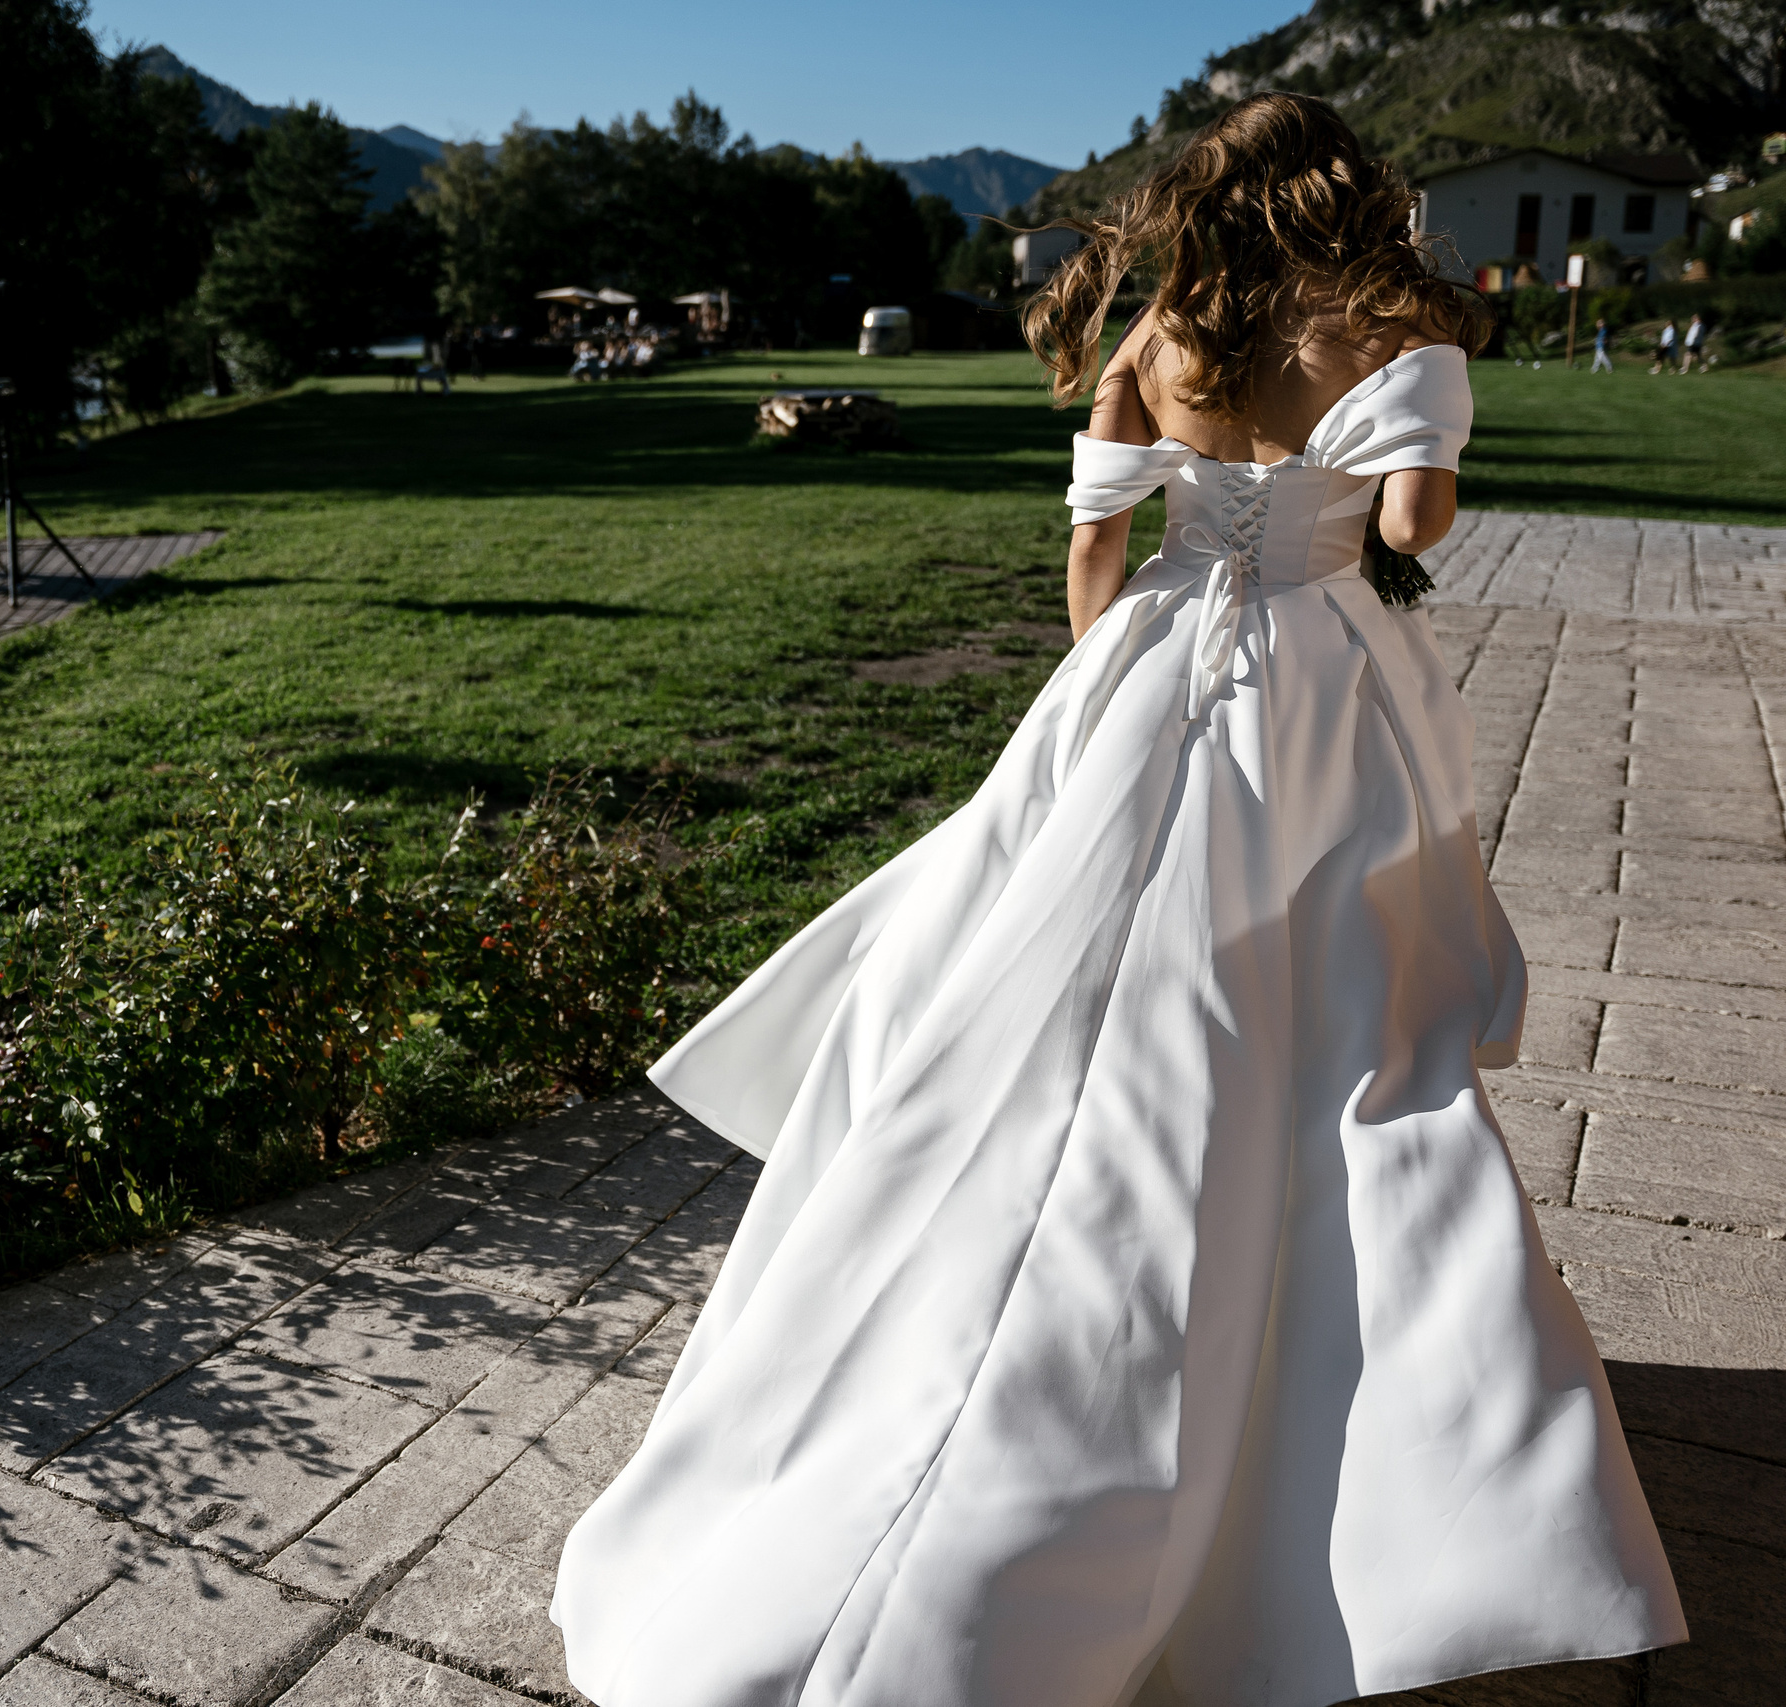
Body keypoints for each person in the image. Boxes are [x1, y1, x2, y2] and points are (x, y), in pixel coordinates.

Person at [551, 92, 1684, 1707]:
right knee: (1323, 1019)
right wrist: (1393, 431)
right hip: (1320, 679)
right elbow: (1414, 528)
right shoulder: (1384, 330)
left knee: (1045, 987)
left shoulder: (1156, 335)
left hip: (1152, 658)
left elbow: (1095, 551)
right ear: (1345, 192)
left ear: (1201, 199)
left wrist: (1113, 698)